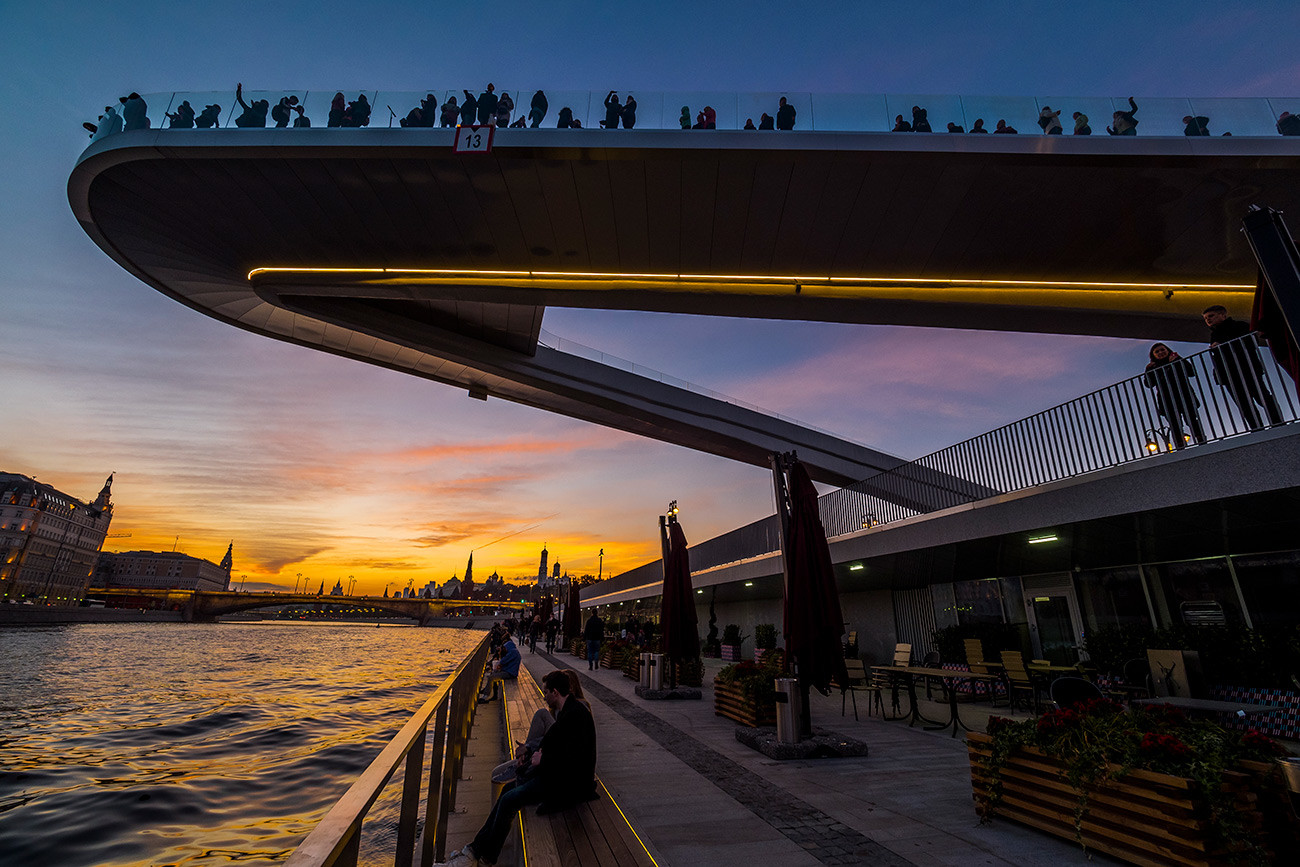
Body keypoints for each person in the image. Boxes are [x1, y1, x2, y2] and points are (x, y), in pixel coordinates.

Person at [448, 670, 597, 867]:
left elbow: (572, 758)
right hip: (560, 776)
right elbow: (557, 742)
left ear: (555, 692)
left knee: (510, 799)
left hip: (567, 784)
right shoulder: (569, 711)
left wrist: (541, 761)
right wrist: (537, 754)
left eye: (546, 692)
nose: (544, 696)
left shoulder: (574, 715)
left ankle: (481, 856)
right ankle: (478, 853)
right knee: (508, 792)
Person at [1203, 305, 1284, 430]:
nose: (1208, 320)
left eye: (1211, 316)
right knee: (1244, 404)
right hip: (1229, 375)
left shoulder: (1239, 326)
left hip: (1247, 369)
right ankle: (1257, 429)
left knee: (1262, 397)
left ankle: (1278, 423)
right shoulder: (1214, 334)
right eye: (1206, 318)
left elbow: (1249, 343)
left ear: (1223, 315)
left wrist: (1222, 345)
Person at [1144, 343, 1206, 449]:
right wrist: (1148, 370)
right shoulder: (1154, 367)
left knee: (1191, 419)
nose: (1160, 353)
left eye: (1162, 350)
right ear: (1153, 355)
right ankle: (1180, 445)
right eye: (1157, 352)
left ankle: (1201, 440)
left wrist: (1177, 360)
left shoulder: (1176, 359)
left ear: (1167, 350)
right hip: (1166, 400)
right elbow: (1149, 384)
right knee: (1174, 424)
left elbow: (1191, 372)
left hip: (1185, 395)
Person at [479, 633, 521, 702]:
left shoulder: (512, 652)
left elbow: (502, 661)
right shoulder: (513, 651)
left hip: (510, 673)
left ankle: (485, 697)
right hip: (509, 671)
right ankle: (493, 695)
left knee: (491, 677)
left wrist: (500, 654)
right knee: (493, 675)